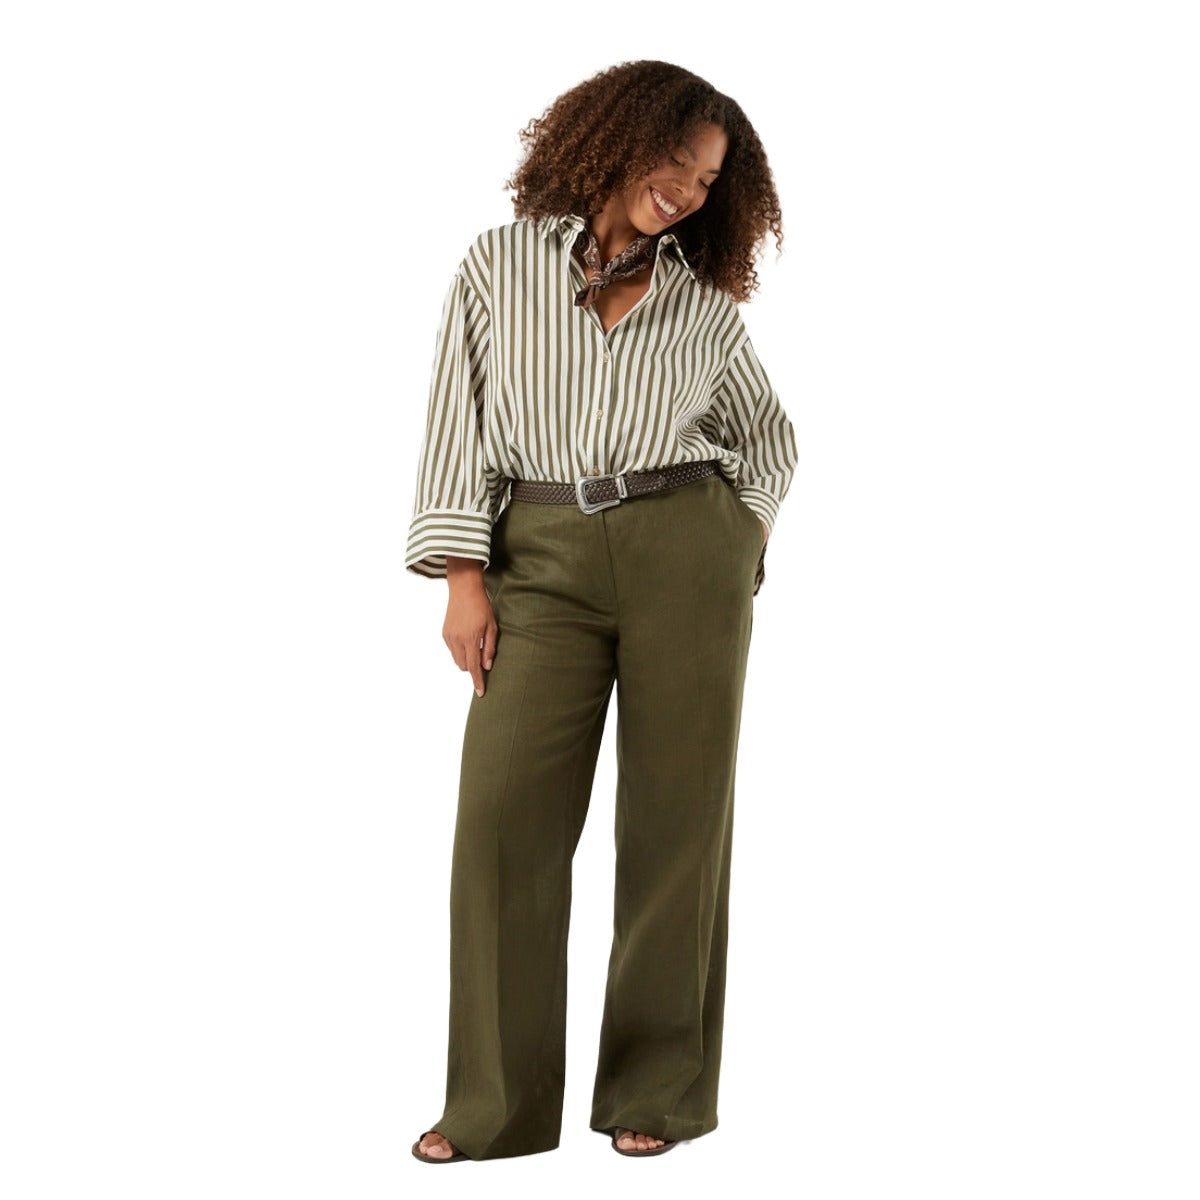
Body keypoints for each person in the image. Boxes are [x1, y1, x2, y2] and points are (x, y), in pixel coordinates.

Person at [406, 59, 797, 1163]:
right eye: (676, 162)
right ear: (616, 139)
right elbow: (456, 421)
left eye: (709, 181)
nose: (688, 190)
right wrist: (464, 579)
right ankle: (494, 1108)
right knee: (502, 825)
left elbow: (770, 439)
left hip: (687, 554)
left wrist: (740, 542)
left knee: (679, 827)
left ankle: (656, 1093)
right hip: (539, 556)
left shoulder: (702, 306)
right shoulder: (499, 265)